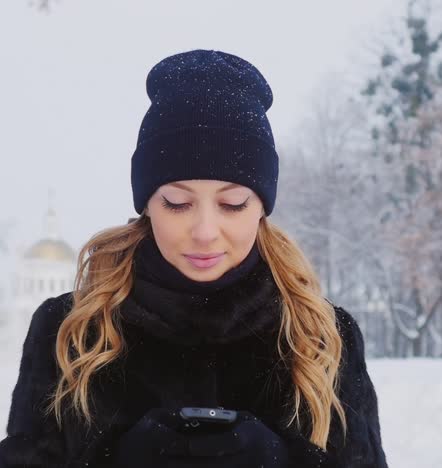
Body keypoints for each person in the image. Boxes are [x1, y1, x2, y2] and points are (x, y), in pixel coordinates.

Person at [0, 49, 388, 467]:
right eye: (177, 203)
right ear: (147, 204)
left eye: (233, 204)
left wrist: (283, 459)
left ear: (262, 207)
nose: (205, 232)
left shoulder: (322, 337)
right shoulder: (72, 333)